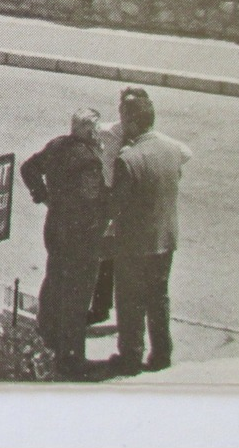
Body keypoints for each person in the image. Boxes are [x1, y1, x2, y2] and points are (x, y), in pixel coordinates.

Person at [20, 107, 107, 378]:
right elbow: (91, 200)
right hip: (79, 234)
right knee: (77, 296)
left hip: (55, 225)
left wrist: (43, 196)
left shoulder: (57, 145)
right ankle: (72, 358)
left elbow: (29, 168)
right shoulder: (89, 160)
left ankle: (45, 339)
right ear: (91, 131)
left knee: (54, 278)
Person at [109, 92, 192, 374]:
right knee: (159, 297)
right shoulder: (172, 150)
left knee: (130, 300)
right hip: (165, 238)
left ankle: (131, 356)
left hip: (134, 244)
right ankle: (162, 354)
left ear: (131, 122)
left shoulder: (128, 159)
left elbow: (117, 206)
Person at [88, 86, 151, 324]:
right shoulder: (106, 132)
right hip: (109, 200)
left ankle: (131, 314)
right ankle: (101, 307)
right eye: (125, 107)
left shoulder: (148, 137)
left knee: (131, 261)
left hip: (134, 203)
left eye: (134, 108)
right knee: (105, 257)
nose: (128, 113)